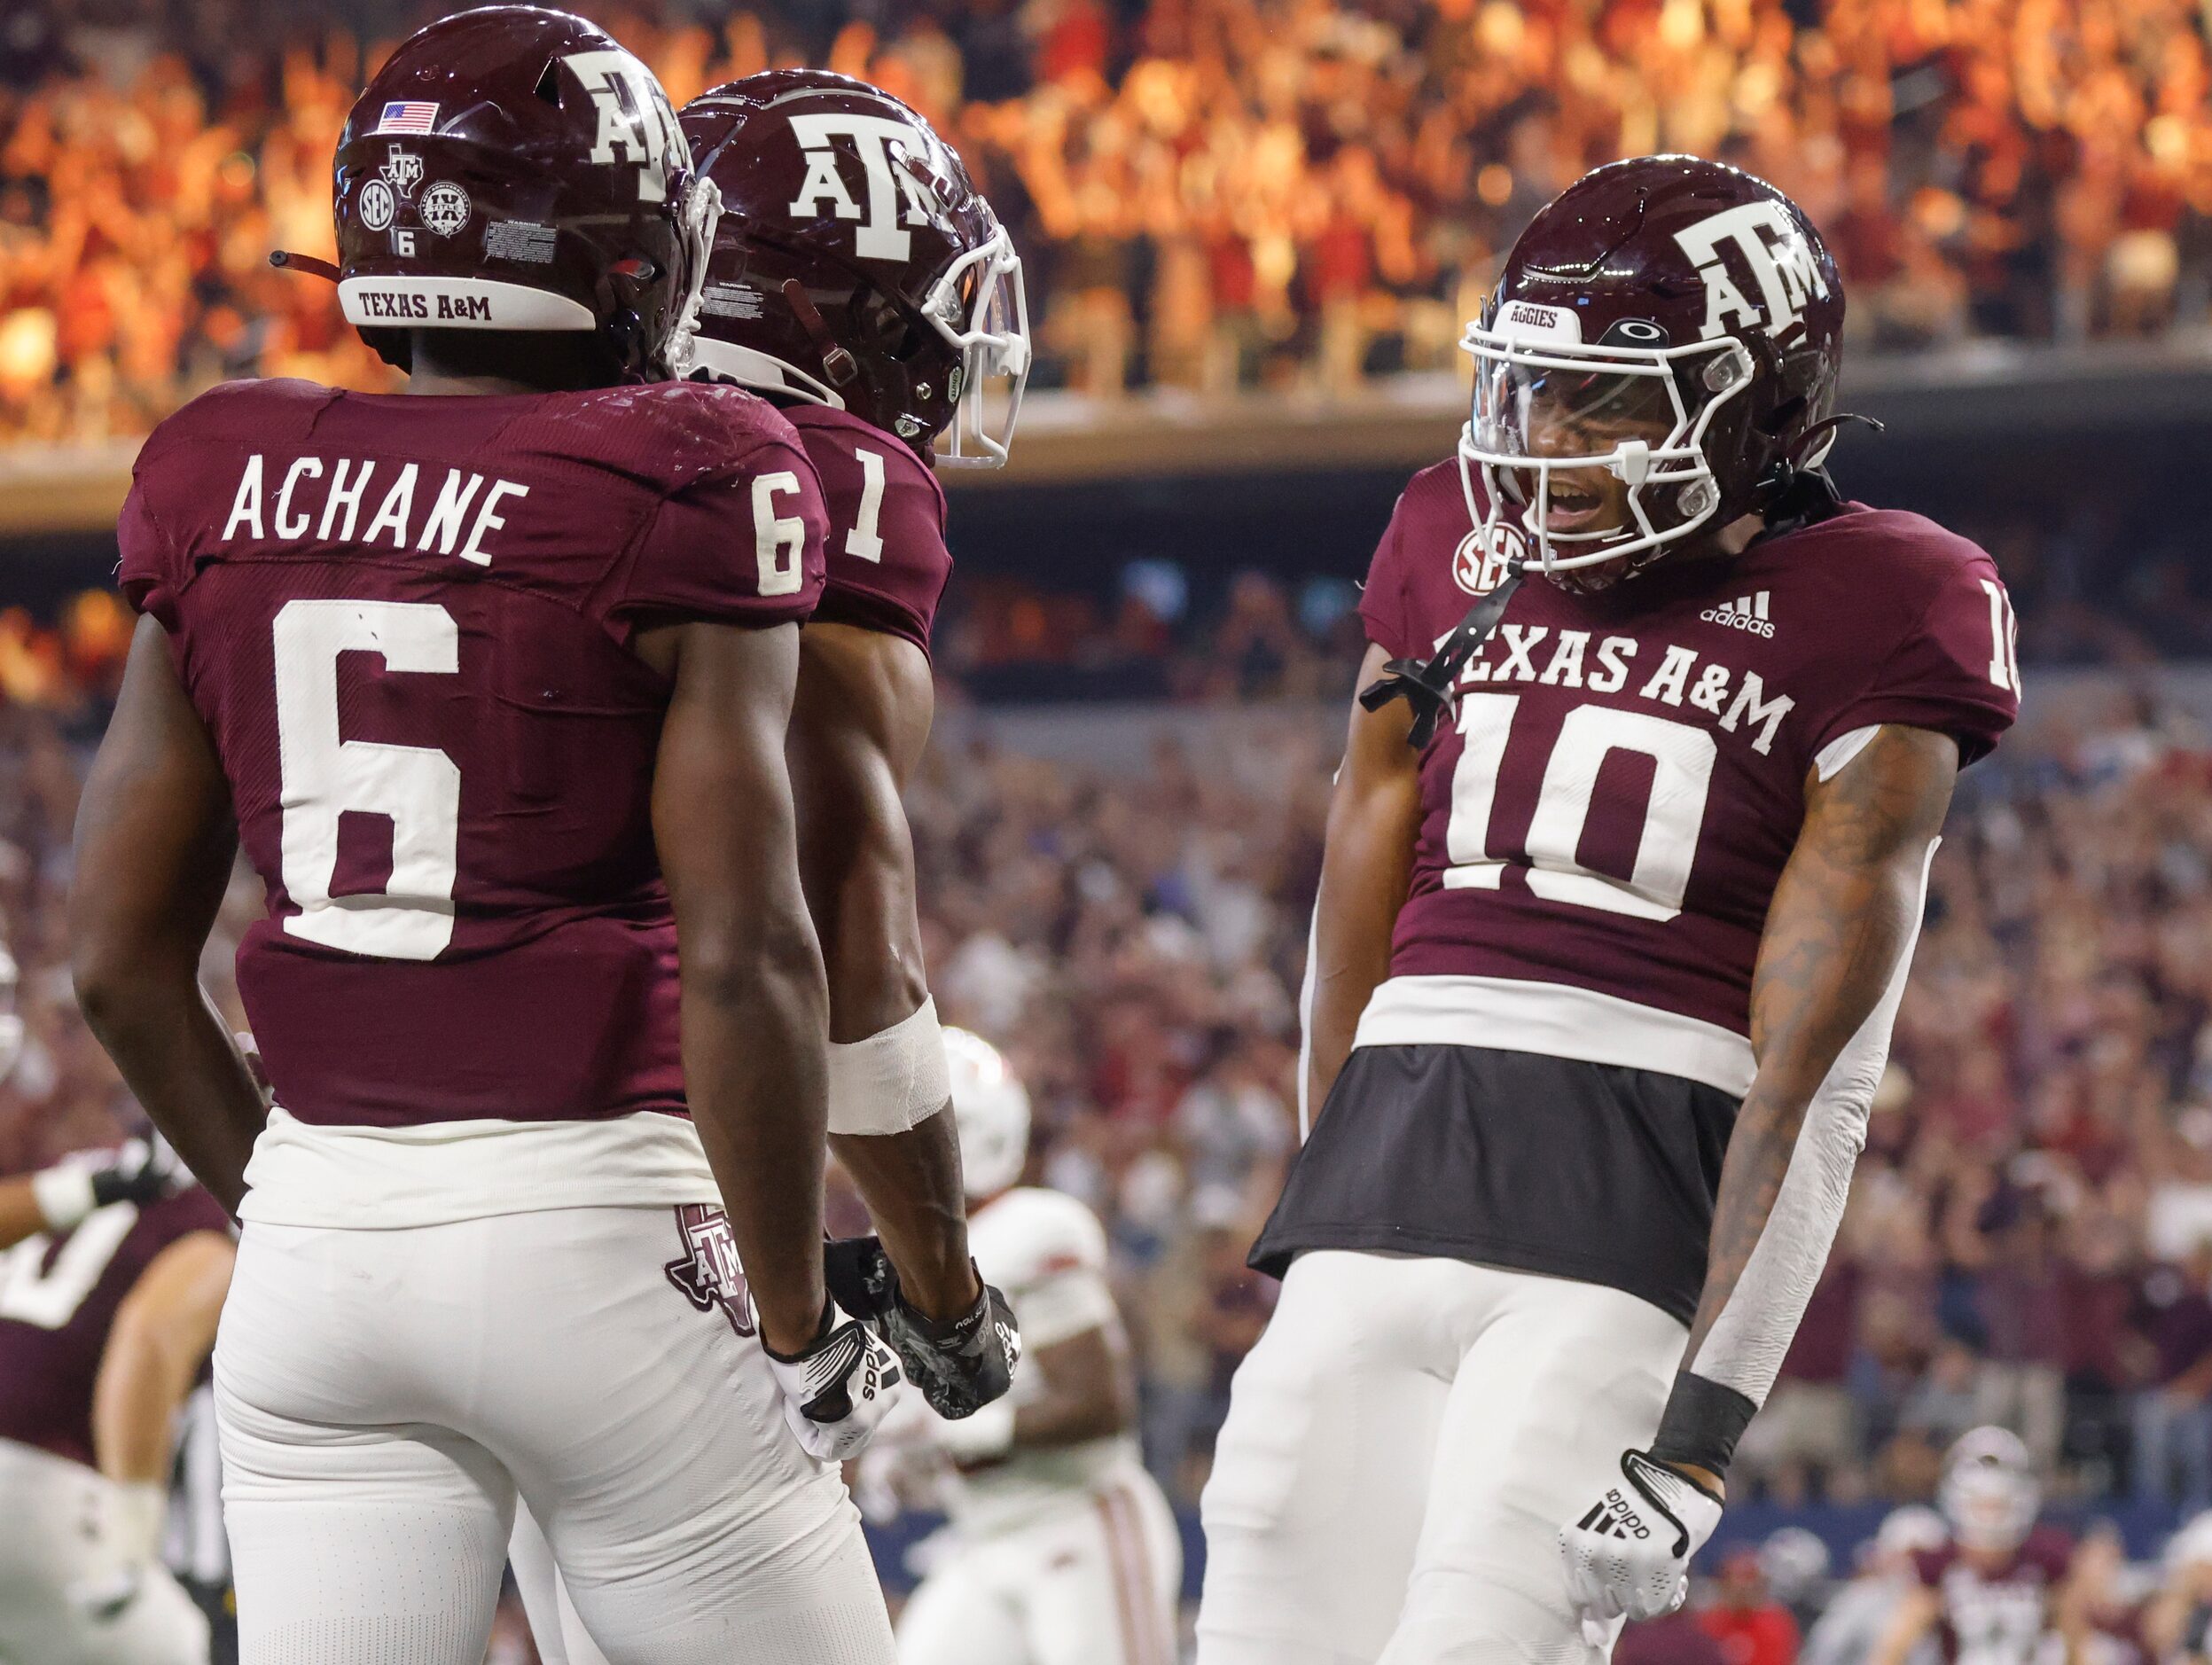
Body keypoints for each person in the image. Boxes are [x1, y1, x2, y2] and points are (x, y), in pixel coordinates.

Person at [66, 12, 1010, 1663]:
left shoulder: (222, 464)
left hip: (318, 1264)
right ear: (634, 252)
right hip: (603, 1224)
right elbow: (754, 950)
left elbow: (117, 967)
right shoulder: (694, 466)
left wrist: (290, 1201)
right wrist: (798, 1318)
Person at [1195, 155, 2021, 1662]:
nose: (1552, 446)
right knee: (1256, 1616)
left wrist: (1700, 1438)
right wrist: (1328, 1205)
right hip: (1382, 1181)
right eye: (1533, 393)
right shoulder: (1450, 533)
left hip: (1621, 1221)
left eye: (1610, 402)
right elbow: (1352, 916)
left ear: (1759, 404)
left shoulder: (1889, 599)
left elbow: (1815, 1082)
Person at [504, 68, 1032, 1664]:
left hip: (419, 1177)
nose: (949, 355)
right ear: (842, 315)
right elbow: (843, 954)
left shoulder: (532, 439)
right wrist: (938, 1289)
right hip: (643, 1203)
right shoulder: (825, 486)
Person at [862, 1029, 1183, 1665]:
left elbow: (1098, 1406)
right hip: (984, 1538)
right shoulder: (903, 1269)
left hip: (1076, 1522)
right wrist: (902, 1466)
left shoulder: (1028, 1230)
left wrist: (959, 1434)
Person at [0, 1138, 232, 1665]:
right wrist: (131, 1532)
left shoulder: (66, 1185)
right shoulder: (203, 1221)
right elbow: (150, 1339)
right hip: (36, 1491)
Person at [1872, 1428, 2076, 1665]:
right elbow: (1891, 1650)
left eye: (1999, 1504)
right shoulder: (1938, 1565)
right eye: (1983, 1504)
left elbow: (2076, 1642)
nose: (1991, 1516)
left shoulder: (2045, 1561)